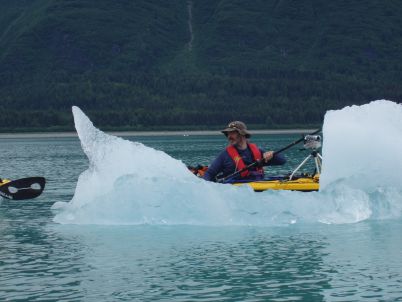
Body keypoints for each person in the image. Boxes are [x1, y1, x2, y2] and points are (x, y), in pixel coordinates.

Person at [203, 121, 286, 182]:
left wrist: (272, 154)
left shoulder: (258, 152)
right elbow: (209, 174)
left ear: (242, 134)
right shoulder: (224, 155)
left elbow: (282, 161)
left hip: (256, 187)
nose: (229, 136)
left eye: (232, 133)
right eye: (227, 134)